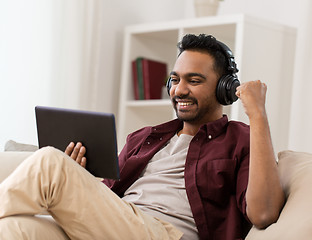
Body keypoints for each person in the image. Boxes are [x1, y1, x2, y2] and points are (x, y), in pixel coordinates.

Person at [0, 34, 284, 240]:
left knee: (49, 160)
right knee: (13, 229)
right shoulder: (146, 137)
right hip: (119, 225)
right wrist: (79, 177)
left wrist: (257, 115)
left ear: (224, 88)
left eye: (194, 81)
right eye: (175, 79)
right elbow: (108, 197)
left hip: (165, 233)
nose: (179, 90)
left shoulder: (240, 139)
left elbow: (263, 214)